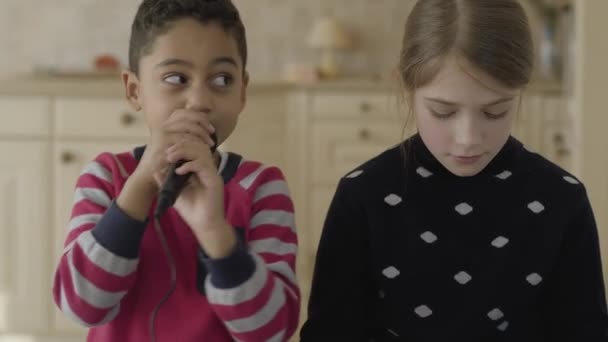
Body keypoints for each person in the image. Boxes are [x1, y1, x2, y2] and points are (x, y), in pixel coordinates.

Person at [300, 0, 608, 340]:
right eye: (443, 112)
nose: (468, 140)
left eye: (494, 112)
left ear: (520, 93)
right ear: (409, 89)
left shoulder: (563, 200)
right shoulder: (361, 197)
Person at [52, 0, 300, 341]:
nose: (199, 100)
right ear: (134, 90)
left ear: (242, 92)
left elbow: (271, 331)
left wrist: (215, 232)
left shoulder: (262, 187)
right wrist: (139, 187)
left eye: (222, 79)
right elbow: (81, 305)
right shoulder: (106, 176)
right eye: (176, 78)